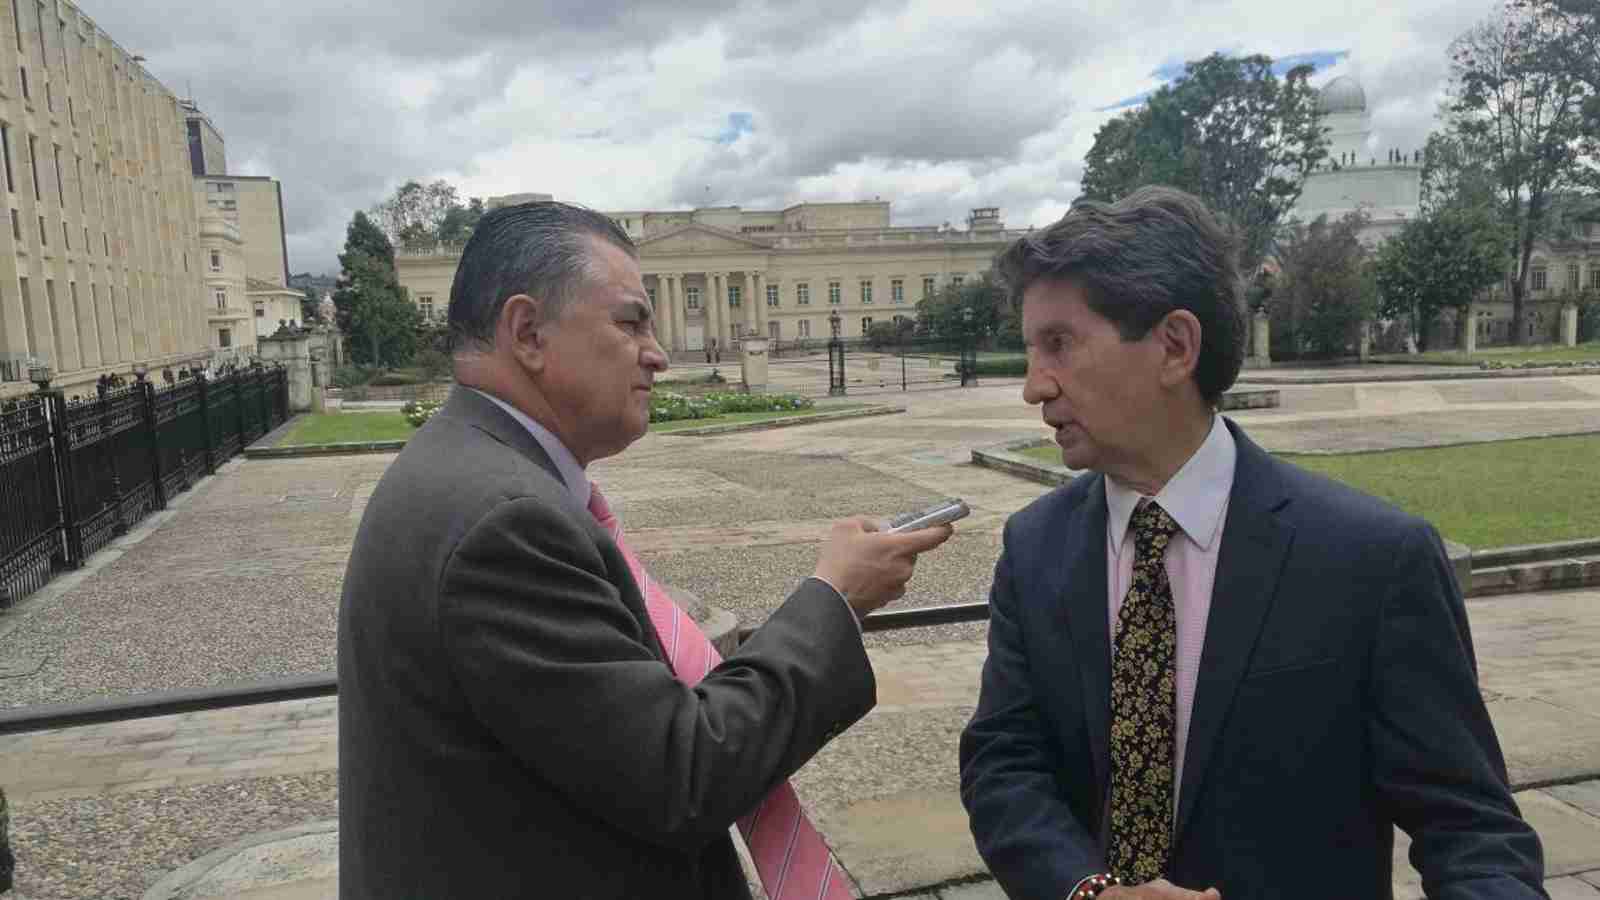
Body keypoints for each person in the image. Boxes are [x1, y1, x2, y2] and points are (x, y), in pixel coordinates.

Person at [338, 200, 953, 899]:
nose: (657, 354)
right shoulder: (504, 525)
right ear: (529, 333)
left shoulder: (472, 470)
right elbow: (683, 772)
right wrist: (833, 600)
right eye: (631, 323)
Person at [958, 186, 1546, 900]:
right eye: (1030, 349)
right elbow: (1004, 765)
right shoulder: (1035, 547)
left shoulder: (1372, 560)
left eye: (1059, 344)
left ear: (1175, 346)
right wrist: (1089, 890)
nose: (1033, 387)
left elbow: (1473, 833)